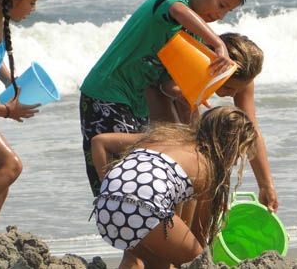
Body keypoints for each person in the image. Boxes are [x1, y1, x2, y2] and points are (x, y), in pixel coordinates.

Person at [79, 0, 245, 268]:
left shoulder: (189, 35)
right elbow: (178, 11)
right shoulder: (172, 0)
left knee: (140, 210)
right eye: (220, 5)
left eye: (227, 12)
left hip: (133, 102)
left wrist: (192, 92)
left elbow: (167, 83)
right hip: (105, 93)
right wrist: (217, 44)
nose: (219, 15)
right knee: (123, 189)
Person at [90, 106, 257, 268]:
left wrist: (113, 190)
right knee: (199, 264)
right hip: (143, 210)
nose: (235, 161)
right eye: (239, 153)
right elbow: (199, 232)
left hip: (105, 208)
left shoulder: (165, 138)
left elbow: (99, 141)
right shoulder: (208, 166)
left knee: (160, 263)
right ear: (231, 145)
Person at [147, 32, 278, 212]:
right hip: (137, 101)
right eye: (228, 87)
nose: (233, 94)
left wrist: (266, 185)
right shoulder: (190, 67)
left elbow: (251, 128)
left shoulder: (241, 75)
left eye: (238, 89)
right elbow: (188, 134)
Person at [0, 0, 43, 229]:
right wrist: (7, 110)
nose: (34, 8)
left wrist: (13, 84)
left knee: (0, 176)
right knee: (10, 166)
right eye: (32, 1)